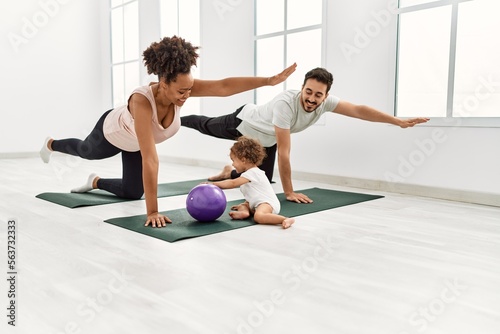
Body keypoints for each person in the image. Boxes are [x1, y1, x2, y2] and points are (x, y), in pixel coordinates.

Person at [39, 36, 297, 228]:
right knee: (86, 151)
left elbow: (223, 86)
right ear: (163, 83)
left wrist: (267, 81)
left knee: (132, 192)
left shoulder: (182, 85)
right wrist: (152, 212)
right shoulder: (141, 102)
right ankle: (52, 144)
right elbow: (150, 158)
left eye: (189, 89)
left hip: (135, 144)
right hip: (112, 132)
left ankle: (95, 182)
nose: (187, 96)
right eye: (181, 92)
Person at [181, 67, 429, 204]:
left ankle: (229, 171)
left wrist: (396, 121)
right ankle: (176, 119)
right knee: (205, 125)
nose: (311, 99)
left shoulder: (325, 102)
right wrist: (289, 192)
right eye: (308, 91)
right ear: (302, 88)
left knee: (258, 183)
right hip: (244, 124)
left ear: (326, 95)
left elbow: (359, 110)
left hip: (265, 143)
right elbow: (285, 154)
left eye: (318, 95)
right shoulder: (285, 105)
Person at [208, 136, 295, 229]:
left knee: (259, 217)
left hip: (267, 204)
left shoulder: (253, 173)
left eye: (233, 160)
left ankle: (284, 219)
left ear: (243, 160)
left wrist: (214, 185)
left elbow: (233, 183)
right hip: (256, 203)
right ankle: (244, 212)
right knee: (244, 204)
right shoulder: (248, 173)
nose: (232, 164)